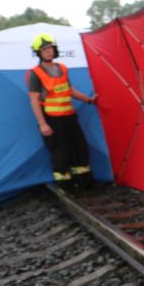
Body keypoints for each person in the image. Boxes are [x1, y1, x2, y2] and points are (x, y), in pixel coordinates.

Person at [26, 33, 98, 191]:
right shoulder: (35, 74)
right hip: (52, 120)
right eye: (44, 49)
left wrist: (90, 100)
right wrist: (43, 124)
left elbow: (69, 90)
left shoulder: (62, 68)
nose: (48, 51)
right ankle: (66, 188)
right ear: (39, 52)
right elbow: (34, 100)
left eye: (50, 48)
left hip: (70, 117)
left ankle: (85, 184)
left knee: (80, 148)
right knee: (60, 153)